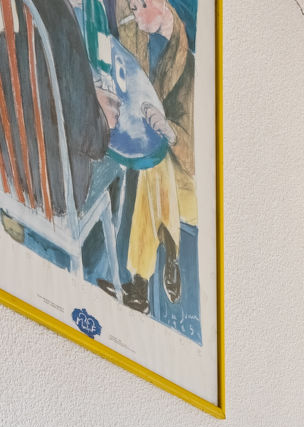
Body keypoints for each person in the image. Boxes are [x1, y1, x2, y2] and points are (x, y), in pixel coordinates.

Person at [113, 0, 195, 309]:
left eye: (139, 6)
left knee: (157, 158)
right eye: (131, 8)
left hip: (187, 191)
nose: (133, 14)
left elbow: (194, 159)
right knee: (153, 165)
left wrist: (167, 128)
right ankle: (168, 252)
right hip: (161, 189)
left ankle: (139, 284)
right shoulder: (136, 34)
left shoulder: (190, 66)